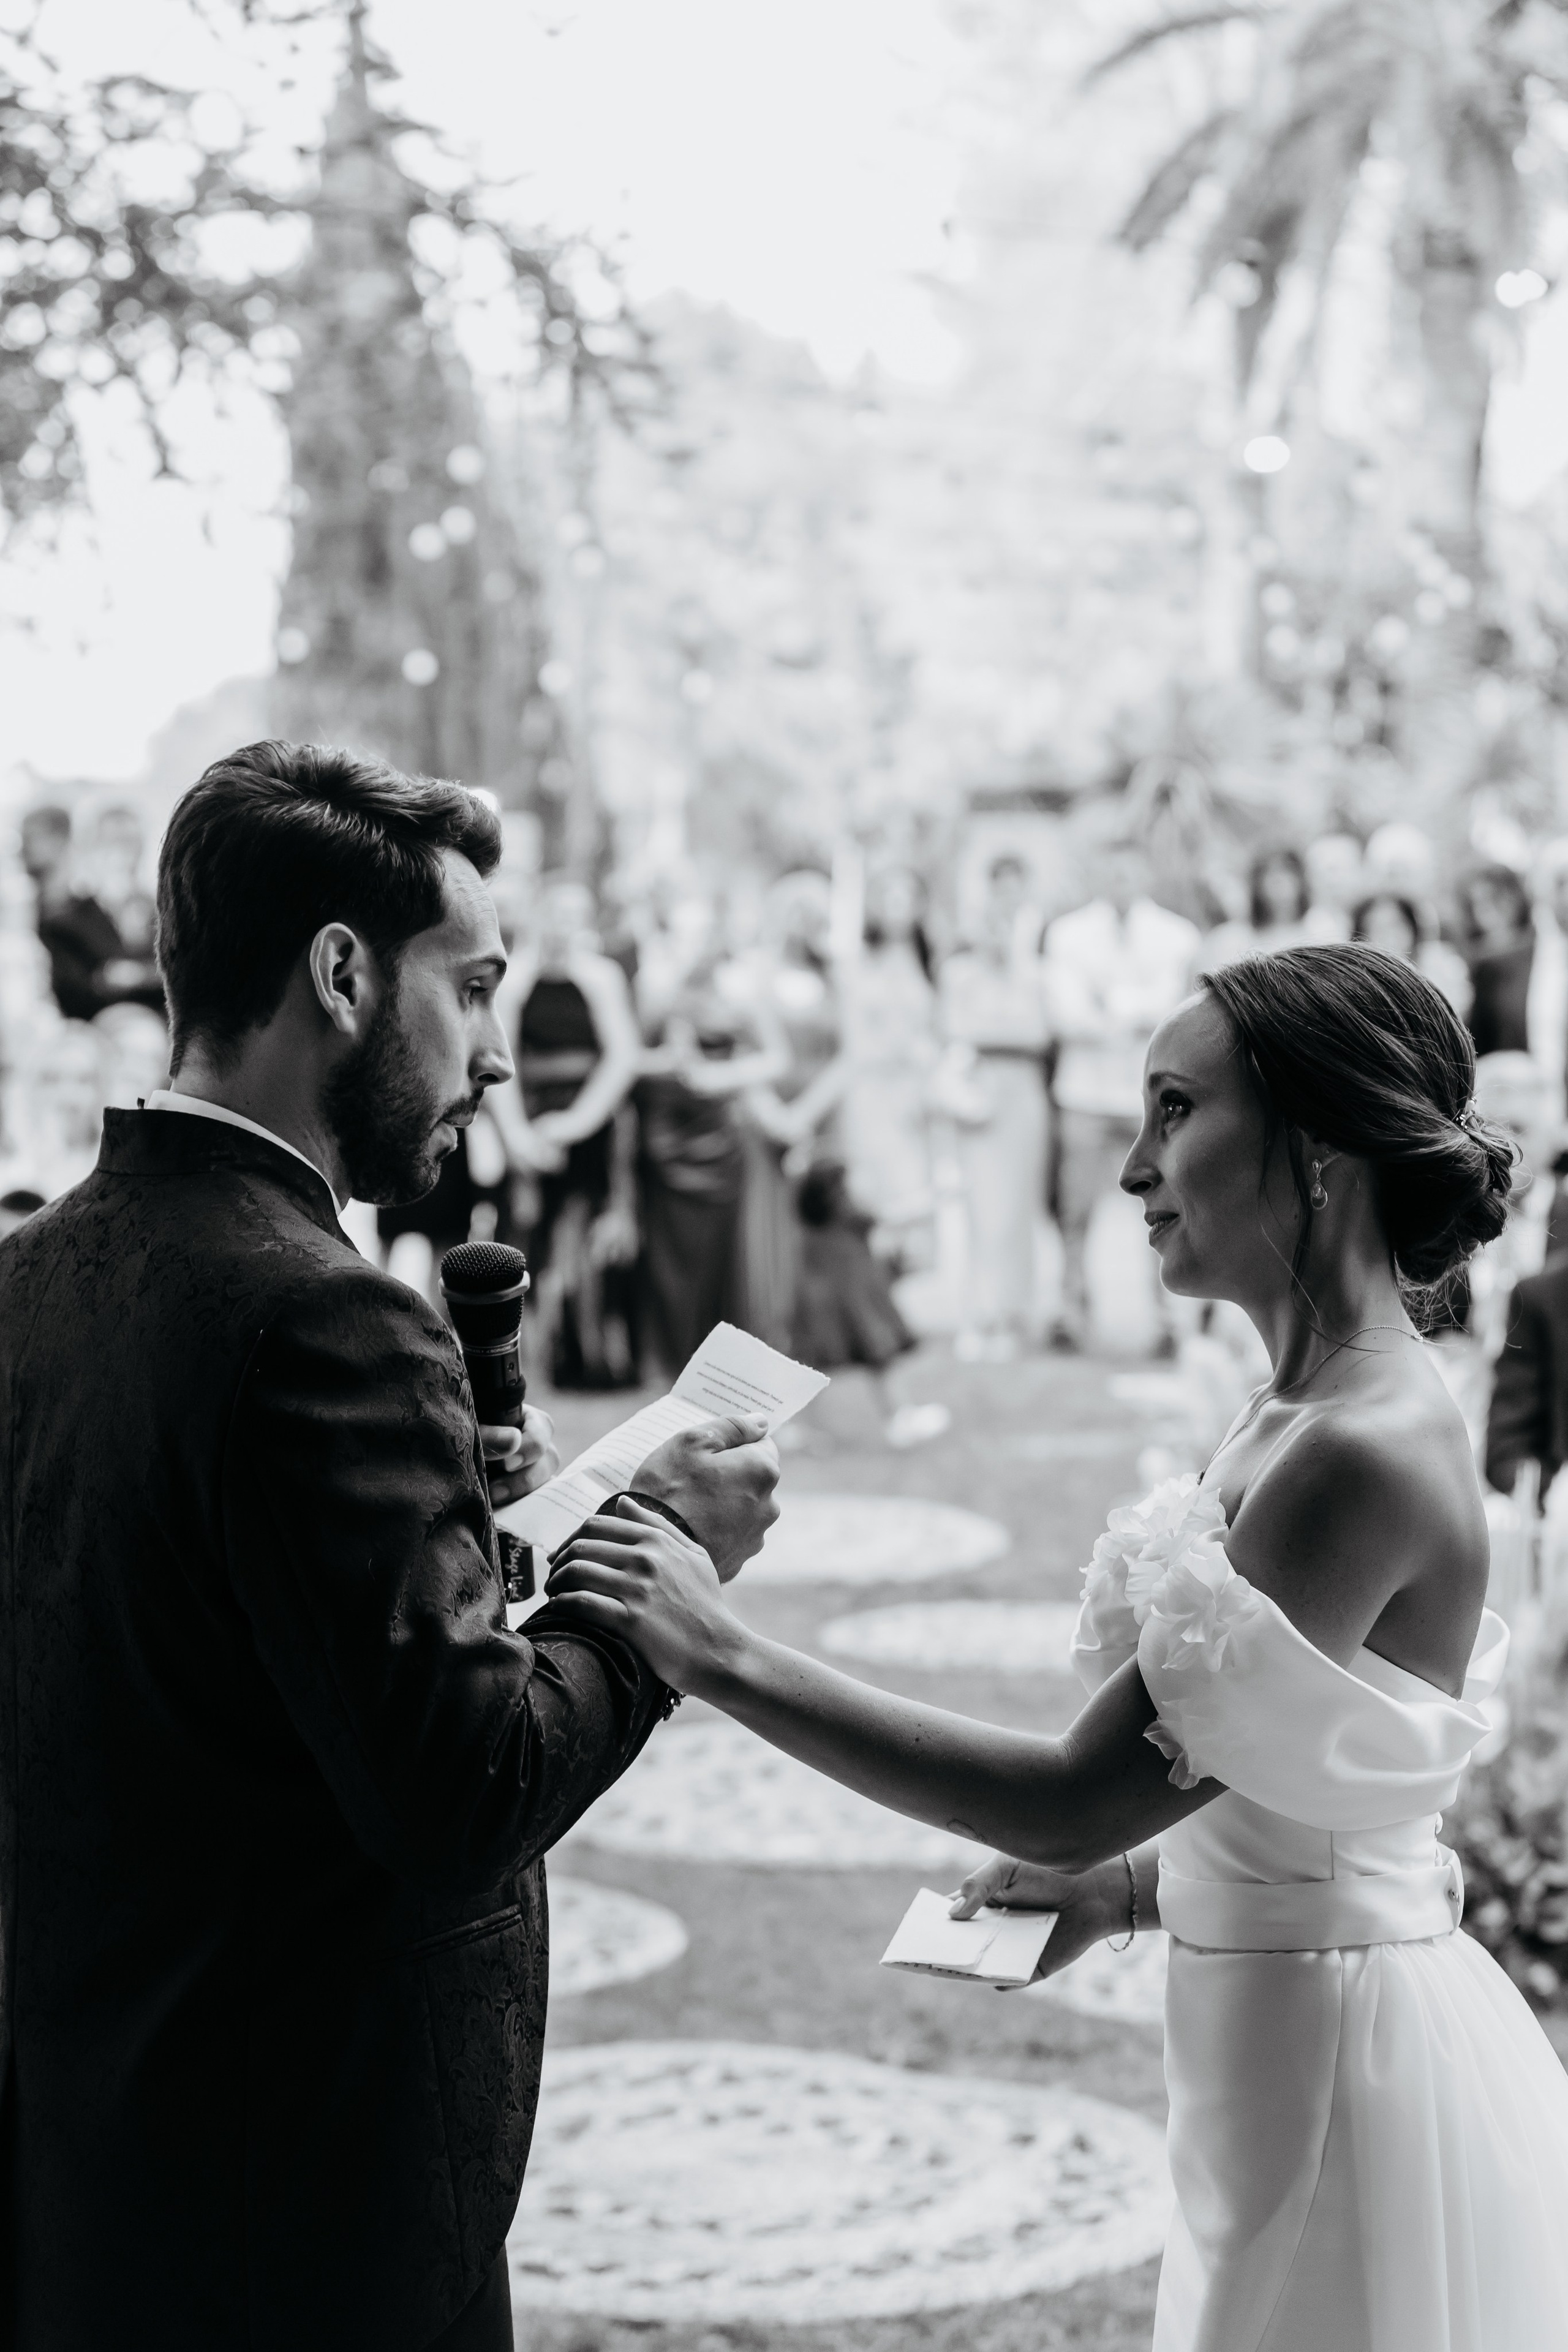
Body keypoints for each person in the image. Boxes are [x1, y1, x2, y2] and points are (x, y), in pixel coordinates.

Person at [548, 942, 1568, 2352]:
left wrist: (719, 1653)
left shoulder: (1359, 1447)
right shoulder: (1287, 1411)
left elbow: (1073, 1797)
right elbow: (1280, 1781)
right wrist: (1123, 1890)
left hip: (1345, 2068)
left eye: (1173, 1111)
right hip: (1267, 2040)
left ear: (1315, 1147)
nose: (1130, 1167)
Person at [0, 738, 780, 2352]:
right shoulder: (325, 1319)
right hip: (304, 2200)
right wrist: (659, 1585)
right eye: (472, 987)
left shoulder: (31, 1275)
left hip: (89, 2155)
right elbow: (463, 1786)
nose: (492, 1053)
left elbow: (200, 1644)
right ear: (344, 973)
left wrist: (467, 1540)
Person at [1044, 838, 1199, 1354]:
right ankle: (1070, 1311)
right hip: (1083, 1093)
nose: (1120, 882)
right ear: (1097, 874)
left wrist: (1109, 1003)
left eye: (1129, 872)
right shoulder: (1066, 934)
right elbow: (1065, 1014)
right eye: (1112, 873)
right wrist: (1134, 1010)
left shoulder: (1177, 935)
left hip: (1150, 1097)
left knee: (1165, 1207)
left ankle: (1167, 1318)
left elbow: (1174, 1012)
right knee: (1076, 1210)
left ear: (1146, 874)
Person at [488, 878, 643, 1389]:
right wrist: (518, 1137)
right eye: (556, 913)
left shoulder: (602, 977)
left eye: (574, 915)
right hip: (530, 1127)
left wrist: (576, 1123)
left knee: (583, 1242)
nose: (563, 925)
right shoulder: (515, 978)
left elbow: (622, 1058)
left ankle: (588, 1356)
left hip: (590, 1130)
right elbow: (500, 1058)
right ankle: (527, 1361)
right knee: (525, 1241)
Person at [937, 856, 1052, 1360]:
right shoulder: (958, 974)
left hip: (1023, 1093)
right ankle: (979, 1312)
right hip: (978, 1091)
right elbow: (953, 1029)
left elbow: (1039, 1033)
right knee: (983, 1208)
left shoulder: (1033, 973)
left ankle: (1014, 1312)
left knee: (1019, 1210)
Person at [1200, 844, 1324, 971]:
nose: (1279, 880)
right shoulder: (1229, 939)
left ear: (1301, 878)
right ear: (1257, 884)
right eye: (1269, 873)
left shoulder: (1321, 931)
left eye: (1287, 871)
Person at [1458, 863, 1535, 1060]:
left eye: (1496, 898)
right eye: (1479, 903)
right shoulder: (1476, 961)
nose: (1489, 910)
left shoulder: (1543, 950)